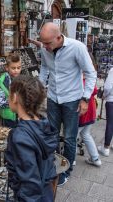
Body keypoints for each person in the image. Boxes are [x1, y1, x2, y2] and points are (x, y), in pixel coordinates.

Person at [38, 22, 97, 186]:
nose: (45, 47)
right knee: (52, 135)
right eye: (43, 43)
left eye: (48, 43)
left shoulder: (77, 48)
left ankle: (66, 170)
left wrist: (85, 99)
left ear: (58, 37)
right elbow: (44, 67)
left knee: (70, 138)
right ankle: (53, 165)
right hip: (53, 97)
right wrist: (39, 87)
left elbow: (91, 73)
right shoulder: (45, 48)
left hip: (72, 99)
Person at [5, 75, 58, 202]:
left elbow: (30, 184)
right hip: (46, 192)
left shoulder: (20, 137)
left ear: (15, 97)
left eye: (9, 94)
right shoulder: (44, 123)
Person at [0, 53, 21, 128]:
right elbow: (0, 103)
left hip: (18, 114)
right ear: (7, 68)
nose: (16, 70)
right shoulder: (3, 82)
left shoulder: (19, 78)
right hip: (8, 115)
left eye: (18, 68)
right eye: (13, 68)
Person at [98, 67, 113, 156]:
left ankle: (106, 148)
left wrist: (104, 95)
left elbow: (108, 87)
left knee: (110, 124)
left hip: (112, 100)